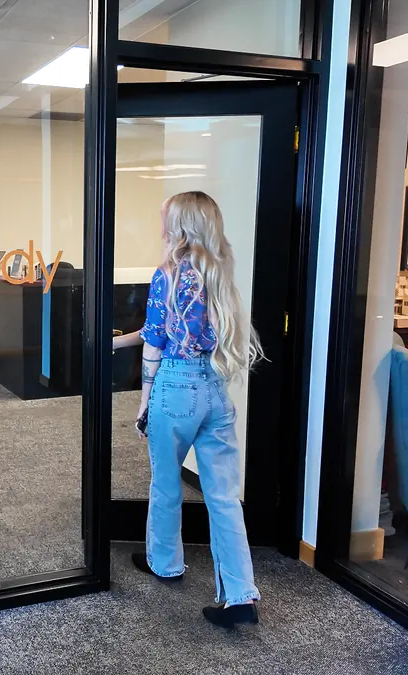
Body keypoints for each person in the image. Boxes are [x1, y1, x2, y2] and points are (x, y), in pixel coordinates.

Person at [113, 190, 263, 628]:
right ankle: (239, 595)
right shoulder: (219, 271)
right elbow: (167, 328)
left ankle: (166, 563)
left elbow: (158, 343)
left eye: (165, 219)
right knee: (223, 497)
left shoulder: (168, 273)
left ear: (179, 225)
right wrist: (118, 340)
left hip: (176, 386)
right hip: (216, 389)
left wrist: (143, 403)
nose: (161, 227)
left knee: (165, 483)